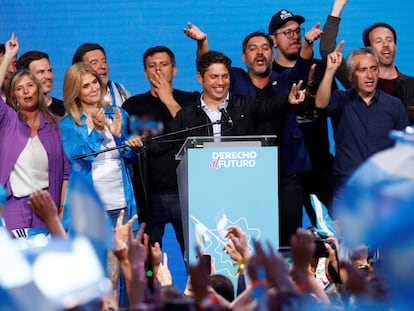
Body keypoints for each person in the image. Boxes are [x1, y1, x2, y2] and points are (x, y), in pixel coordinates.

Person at [59, 62, 143, 309]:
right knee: (97, 279)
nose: (93, 88)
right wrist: (97, 130)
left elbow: (130, 159)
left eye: (95, 81)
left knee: (127, 275)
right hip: (90, 214)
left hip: (122, 207)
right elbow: (79, 156)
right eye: (86, 85)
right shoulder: (67, 124)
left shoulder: (119, 114)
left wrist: (123, 140)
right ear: (75, 92)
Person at [315, 43, 410, 214]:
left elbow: (406, 148)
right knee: (345, 240)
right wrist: (330, 70)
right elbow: (320, 104)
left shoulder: (394, 105)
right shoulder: (340, 100)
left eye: (374, 69)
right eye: (363, 70)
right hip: (348, 189)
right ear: (349, 76)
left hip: (385, 191)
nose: (369, 75)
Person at [122, 46, 198, 256]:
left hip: (186, 193)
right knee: (148, 262)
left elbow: (192, 133)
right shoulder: (133, 105)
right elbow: (137, 146)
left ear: (174, 70)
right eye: (152, 66)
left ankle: (196, 289)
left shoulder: (190, 100)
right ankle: (150, 288)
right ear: (145, 73)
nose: (158, 71)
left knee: (194, 255)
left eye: (164, 65)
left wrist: (168, 100)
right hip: (149, 195)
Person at [267, 9, 337, 235]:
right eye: (287, 32)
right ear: (273, 40)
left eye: (298, 31)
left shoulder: (319, 68)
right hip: (286, 172)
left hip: (321, 164)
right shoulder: (266, 75)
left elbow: (335, 108)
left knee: (339, 233)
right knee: (288, 239)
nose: (294, 36)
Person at [0, 33, 69, 238]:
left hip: (47, 210)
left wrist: (62, 210)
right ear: (13, 96)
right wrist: (9, 55)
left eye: (30, 86)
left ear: (38, 90)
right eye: (19, 89)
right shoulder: (7, 121)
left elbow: (66, 173)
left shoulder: (56, 125)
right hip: (13, 209)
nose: (26, 92)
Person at [320, 0, 414, 123]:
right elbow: (327, 50)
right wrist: (338, 6)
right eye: (379, 41)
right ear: (369, 50)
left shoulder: (411, 85)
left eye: (389, 40)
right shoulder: (359, 78)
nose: (386, 45)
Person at [72, 42, 130, 109]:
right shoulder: (74, 99)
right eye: (94, 63)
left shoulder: (122, 91)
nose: (102, 66)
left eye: (104, 61)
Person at [16, 50, 65, 116]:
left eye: (49, 71)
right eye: (41, 72)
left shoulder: (65, 110)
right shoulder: (13, 113)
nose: (49, 76)